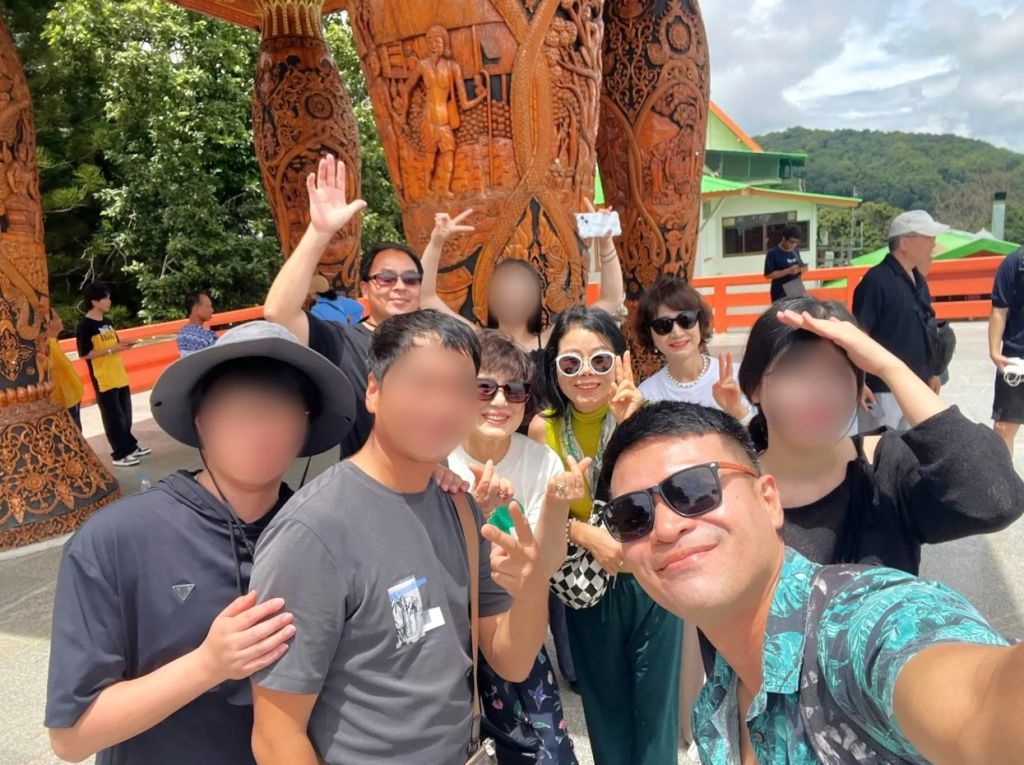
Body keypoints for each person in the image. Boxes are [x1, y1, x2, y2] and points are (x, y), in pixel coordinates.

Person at [599, 400, 1023, 765]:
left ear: (768, 500)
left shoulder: (856, 628)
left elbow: (983, 702)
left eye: (693, 490)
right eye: (633, 515)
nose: (667, 528)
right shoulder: (713, 710)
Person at [249, 310, 582, 764]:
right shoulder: (313, 532)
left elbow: (512, 661)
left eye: (460, 389)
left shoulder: (460, 507)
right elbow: (276, 735)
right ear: (373, 390)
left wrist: (531, 583)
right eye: (421, 384)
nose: (441, 407)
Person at [45, 320, 357, 765]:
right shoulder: (117, 539)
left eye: (282, 410)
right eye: (237, 409)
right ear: (201, 420)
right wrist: (208, 664)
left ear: (305, 427)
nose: (259, 427)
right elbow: (71, 737)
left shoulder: (322, 536)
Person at [737, 297, 1023, 574]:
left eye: (836, 373)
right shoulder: (729, 488)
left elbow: (997, 499)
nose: (817, 392)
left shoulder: (887, 470)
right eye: (796, 372)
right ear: (755, 388)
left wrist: (890, 367)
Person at [526, 306, 681, 765]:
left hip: (651, 579)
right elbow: (536, 513)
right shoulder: (543, 428)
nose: (586, 374)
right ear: (554, 368)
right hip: (586, 589)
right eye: (571, 362)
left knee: (657, 712)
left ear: (620, 361)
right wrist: (585, 533)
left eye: (599, 360)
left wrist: (631, 427)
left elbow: (666, 499)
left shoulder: (649, 417)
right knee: (605, 710)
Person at [446, 331, 578, 763]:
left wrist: (556, 504)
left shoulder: (541, 461)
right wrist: (478, 513)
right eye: (484, 388)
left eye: (515, 390)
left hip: (513, 619)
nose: (501, 401)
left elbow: (545, 566)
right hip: (451, 632)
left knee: (545, 749)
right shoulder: (437, 458)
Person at [263, 154, 424, 459]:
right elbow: (279, 313)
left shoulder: (438, 341)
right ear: (365, 287)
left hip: (439, 477)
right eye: (386, 278)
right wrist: (320, 232)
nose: (400, 286)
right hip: (365, 481)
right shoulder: (343, 342)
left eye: (411, 279)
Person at [418, 204, 626, 413]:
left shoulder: (550, 339)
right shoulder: (478, 338)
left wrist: (605, 243)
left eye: (522, 290)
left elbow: (611, 300)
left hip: (545, 432)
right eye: (505, 288)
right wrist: (436, 242)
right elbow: (425, 298)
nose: (513, 296)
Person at [853, 210, 949, 432]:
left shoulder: (919, 281)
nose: (933, 244)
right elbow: (859, 335)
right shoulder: (876, 281)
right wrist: (859, 381)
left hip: (916, 384)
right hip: (882, 388)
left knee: (912, 448)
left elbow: (927, 328)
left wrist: (934, 372)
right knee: (879, 447)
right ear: (904, 243)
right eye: (928, 237)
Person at [634, 274, 749, 419]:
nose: (676, 333)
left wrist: (736, 409)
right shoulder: (646, 395)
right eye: (663, 325)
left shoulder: (738, 378)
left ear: (700, 323)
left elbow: (764, 433)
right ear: (649, 335)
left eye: (686, 319)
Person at [76, 281, 148, 467]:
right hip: (103, 378)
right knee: (113, 416)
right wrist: (110, 350)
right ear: (94, 301)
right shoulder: (85, 326)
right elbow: (84, 354)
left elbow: (114, 345)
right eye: (105, 298)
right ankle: (120, 453)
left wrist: (123, 345)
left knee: (125, 413)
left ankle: (130, 446)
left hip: (118, 373)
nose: (109, 301)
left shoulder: (108, 323)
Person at [988, 245, 1024, 456]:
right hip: (1017, 357)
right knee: (1004, 428)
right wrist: (994, 350)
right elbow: (999, 309)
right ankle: (1002, 476)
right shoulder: (1014, 264)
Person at [47, 308, 84, 429]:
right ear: (48, 323)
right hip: (62, 402)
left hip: (71, 398)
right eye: (57, 317)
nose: (61, 319)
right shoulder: (46, 346)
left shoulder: (53, 343)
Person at [763, 224, 807, 302]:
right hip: (780, 290)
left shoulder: (795, 251)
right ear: (784, 238)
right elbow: (768, 275)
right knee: (782, 309)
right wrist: (788, 271)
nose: (794, 245)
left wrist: (802, 269)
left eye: (796, 242)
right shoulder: (773, 253)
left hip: (796, 287)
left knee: (800, 308)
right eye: (791, 242)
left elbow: (801, 266)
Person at [177, 291, 218, 356]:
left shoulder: (182, 333)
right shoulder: (207, 337)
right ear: (196, 309)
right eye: (208, 306)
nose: (212, 310)